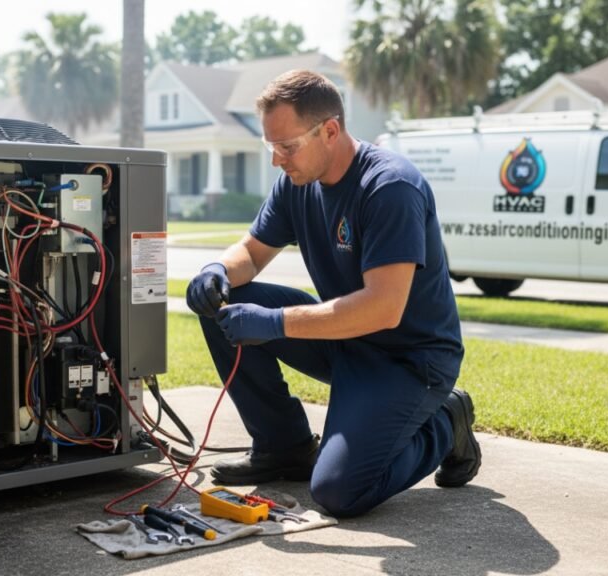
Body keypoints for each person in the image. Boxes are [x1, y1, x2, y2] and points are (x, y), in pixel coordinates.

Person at [186, 70, 479, 518]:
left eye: (286, 147)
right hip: (344, 339)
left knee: (338, 493)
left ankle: (445, 422)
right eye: (271, 147)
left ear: (330, 130)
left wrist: (275, 322)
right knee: (222, 304)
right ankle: (283, 447)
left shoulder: (389, 188)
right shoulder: (296, 183)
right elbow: (250, 251)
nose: (276, 161)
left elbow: (383, 308)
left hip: (409, 361)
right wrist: (216, 271)